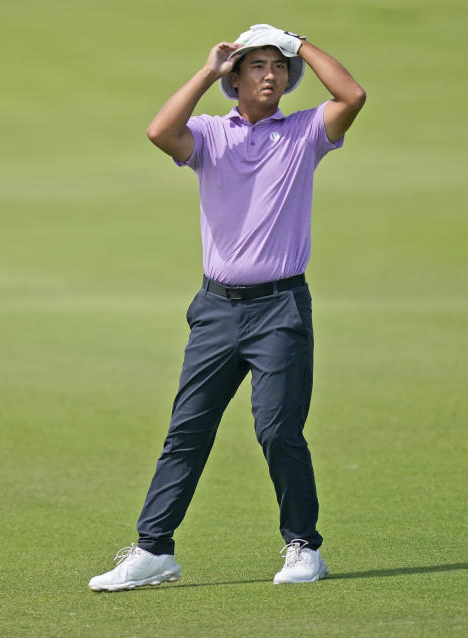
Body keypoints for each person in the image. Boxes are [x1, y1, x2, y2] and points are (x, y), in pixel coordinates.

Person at [89, 24, 366, 591]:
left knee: (278, 430)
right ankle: (153, 550)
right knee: (186, 432)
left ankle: (303, 547)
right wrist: (208, 69)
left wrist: (298, 41)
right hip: (216, 310)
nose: (272, 74)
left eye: (280, 66)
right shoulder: (212, 135)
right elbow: (159, 130)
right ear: (235, 78)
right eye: (258, 65)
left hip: (281, 308)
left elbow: (352, 97)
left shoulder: (305, 132)